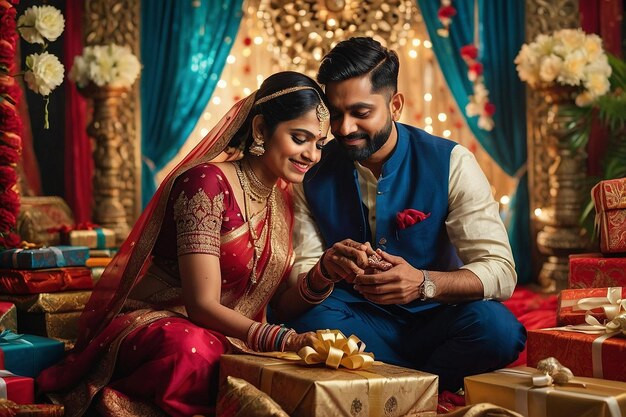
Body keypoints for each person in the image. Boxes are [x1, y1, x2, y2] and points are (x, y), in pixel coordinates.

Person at [37, 71, 331, 417]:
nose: (312, 155)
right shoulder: (206, 183)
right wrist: (280, 340)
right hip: (159, 323)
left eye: (320, 144)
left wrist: (324, 275)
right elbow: (201, 305)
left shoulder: (282, 201)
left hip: (229, 335)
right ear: (261, 129)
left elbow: (273, 301)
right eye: (301, 138)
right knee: (192, 350)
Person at [276, 37, 526, 393]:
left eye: (361, 113)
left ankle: (388, 384)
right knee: (306, 320)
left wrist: (424, 283)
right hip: (356, 320)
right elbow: (302, 270)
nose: (345, 129)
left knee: (498, 331)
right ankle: (424, 383)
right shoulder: (311, 171)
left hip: (436, 315)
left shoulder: (452, 162)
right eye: (335, 114)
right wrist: (325, 269)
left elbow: (501, 271)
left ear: (395, 105)